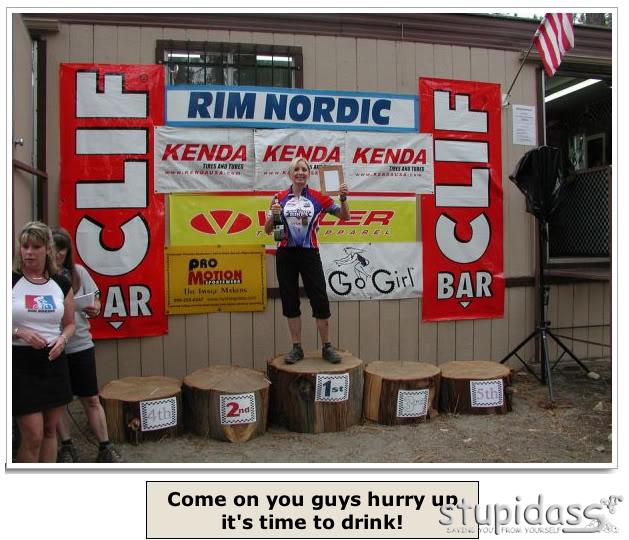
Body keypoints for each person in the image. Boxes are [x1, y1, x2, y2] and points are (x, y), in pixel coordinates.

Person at [264, 157, 350, 364]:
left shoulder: (318, 198)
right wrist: (273, 216)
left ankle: (327, 347)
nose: (300, 172)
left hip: (310, 253)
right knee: (290, 300)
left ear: (309, 174)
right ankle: (297, 347)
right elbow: (269, 230)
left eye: (304, 169)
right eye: (296, 169)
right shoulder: (278, 198)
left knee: (319, 299)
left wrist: (343, 199)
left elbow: (345, 216)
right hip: (286, 254)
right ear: (290, 174)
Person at [52, 228, 122, 463]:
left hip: (80, 342)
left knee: (91, 398)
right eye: (53, 248)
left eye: (61, 249)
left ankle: (105, 447)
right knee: (58, 402)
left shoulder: (78, 272)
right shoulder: (41, 277)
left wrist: (95, 308)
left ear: (68, 251)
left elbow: (97, 298)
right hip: (53, 346)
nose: (57, 254)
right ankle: (66, 446)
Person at [12, 221, 75, 462]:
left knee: (50, 431)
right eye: (25, 246)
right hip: (20, 362)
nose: (29, 252)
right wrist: (19, 331)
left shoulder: (61, 283)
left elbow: (70, 324)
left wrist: (63, 339)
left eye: (35, 247)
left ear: (47, 250)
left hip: (53, 360)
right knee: (33, 436)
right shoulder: (11, 281)